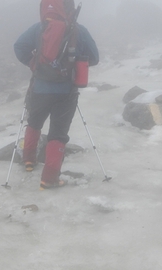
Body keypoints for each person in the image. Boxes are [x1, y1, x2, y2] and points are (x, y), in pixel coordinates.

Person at [14, 0, 99, 189]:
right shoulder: (79, 30)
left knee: (34, 122)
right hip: (66, 91)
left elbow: (19, 46)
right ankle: (49, 178)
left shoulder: (39, 28)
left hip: (39, 89)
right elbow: (94, 58)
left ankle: (28, 160)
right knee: (58, 134)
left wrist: (34, 63)